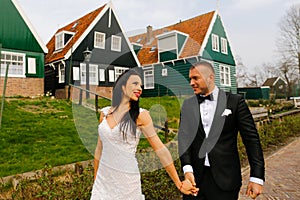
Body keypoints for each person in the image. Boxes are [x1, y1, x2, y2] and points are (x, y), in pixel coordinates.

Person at [91, 69, 198, 200]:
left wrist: (178, 183)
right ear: (122, 87)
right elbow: (99, 150)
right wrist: (96, 180)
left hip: (127, 183)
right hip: (102, 183)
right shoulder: (104, 114)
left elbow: (161, 150)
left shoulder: (141, 116)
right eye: (135, 84)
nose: (140, 88)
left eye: (141, 85)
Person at [178, 61, 265, 200]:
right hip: (195, 181)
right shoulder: (188, 105)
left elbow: (251, 140)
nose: (191, 83)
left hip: (226, 180)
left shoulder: (235, 102)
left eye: (195, 78)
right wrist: (187, 169)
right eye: (190, 79)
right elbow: (184, 140)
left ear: (210, 78)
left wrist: (257, 177)